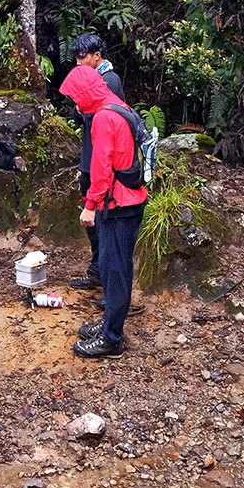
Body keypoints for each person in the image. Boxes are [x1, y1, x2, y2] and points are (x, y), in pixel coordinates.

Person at [59, 64, 148, 358]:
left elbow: (101, 168)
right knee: (115, 268)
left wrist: (90, 206)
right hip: (129, 199)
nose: (74, 102)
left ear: (85, 93)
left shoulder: (103, 118)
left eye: (74, 96)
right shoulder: (117, 105)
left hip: (119, 204)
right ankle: (110, 324)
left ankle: (111, 339)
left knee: (115, 270)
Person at [67, 33, 125, 293]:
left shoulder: (110, 81)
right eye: (76, 57)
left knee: (105, 225)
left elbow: (109, 122)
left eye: (83, 57)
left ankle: (109, 285)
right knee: (93, 226)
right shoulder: (88, 79)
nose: (79, 63)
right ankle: (96, 272)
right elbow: (79, 116)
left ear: (97, 56)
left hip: (103, 164)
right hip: (88, 161)